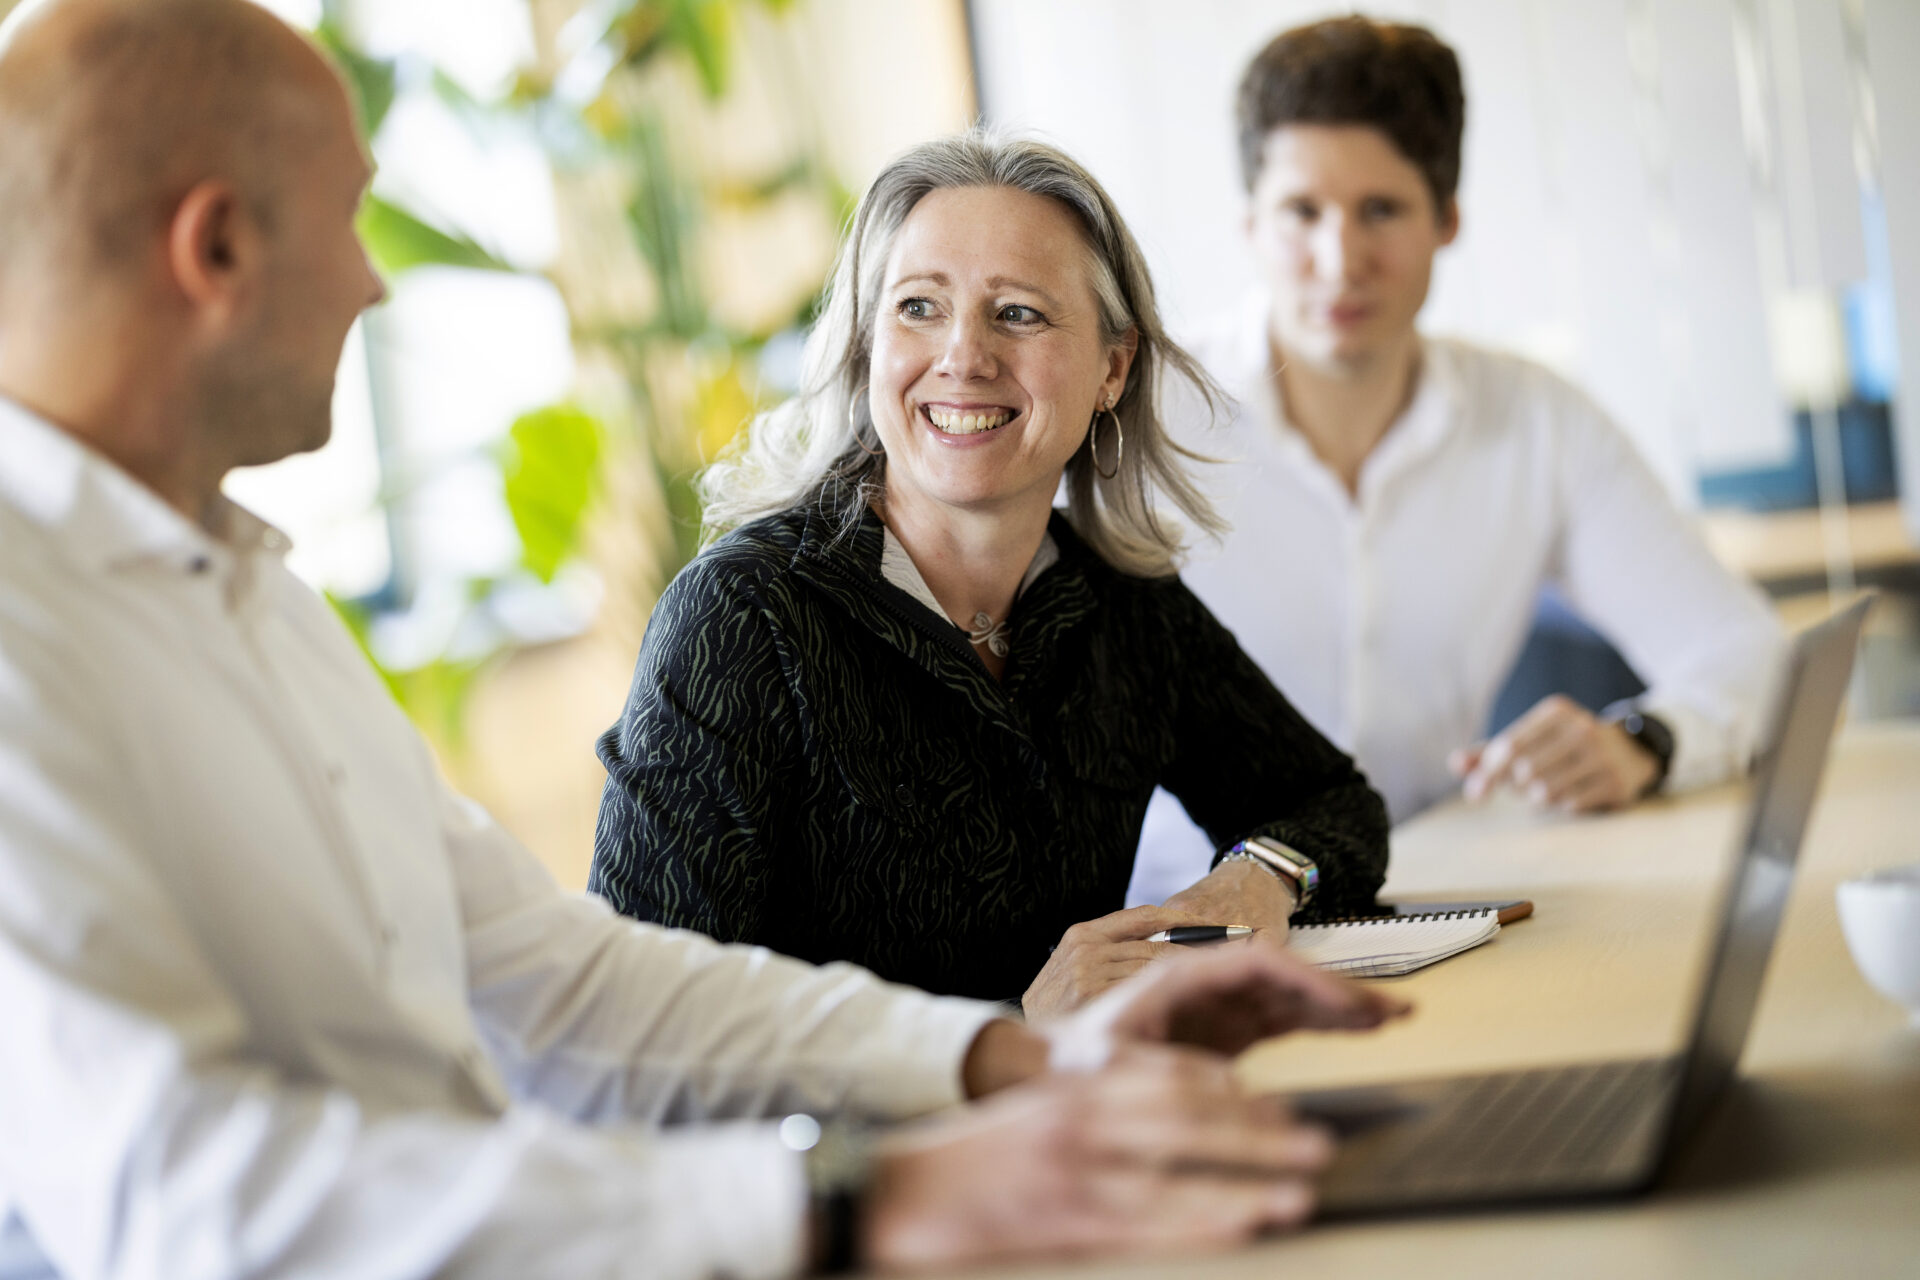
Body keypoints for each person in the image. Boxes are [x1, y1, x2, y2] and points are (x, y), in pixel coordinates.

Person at [0, 3, 1411, 1277]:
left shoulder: (248, 594)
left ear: (1109, 369)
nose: (375, 286)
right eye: (350, 221)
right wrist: (857, 1200)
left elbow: (567, 983)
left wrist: (1000, 1059)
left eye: (1021, 314)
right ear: (219, 247)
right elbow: (181, 1201)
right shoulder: (27, 637)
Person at [589, 130, 1392, 1016]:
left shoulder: (1121, 603)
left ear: (1112, 370)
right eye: (919, 308)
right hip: (845, 1152)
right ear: (866, 345)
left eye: (1018, 313)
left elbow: (1331, 803)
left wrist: (1258, 880)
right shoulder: (740, 616)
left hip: (1079, 1130)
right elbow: (642, 1029)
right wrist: (1010, 1038)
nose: (963, 356)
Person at [1131, 15, 1787, 903]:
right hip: (1169, 923)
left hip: (1430, 907)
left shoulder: (1537, 421)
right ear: (1250, 222)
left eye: (1382, 210)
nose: (1340, 260)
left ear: (1447, 220)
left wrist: (1643, 743)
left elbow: (1750, 654)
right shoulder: (1140, 417)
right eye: (1302, 212)